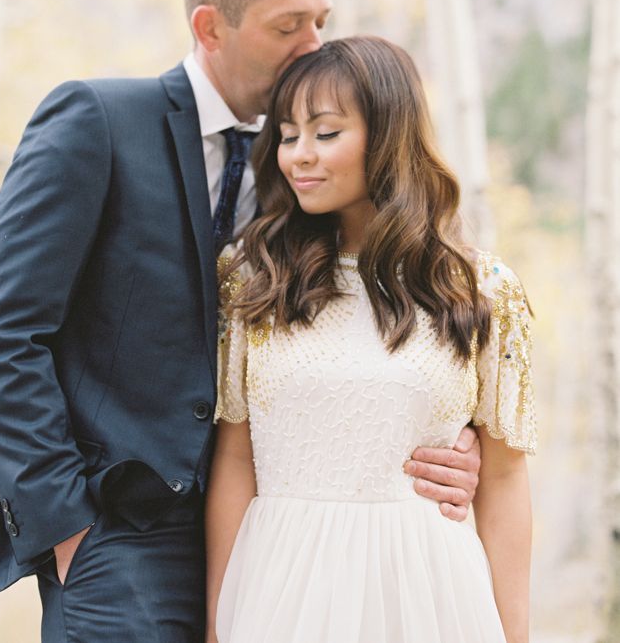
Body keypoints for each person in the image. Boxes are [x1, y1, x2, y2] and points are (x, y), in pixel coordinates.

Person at [0, 0, 482, 643]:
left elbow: (378, 329)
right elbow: (4, 333)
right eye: (289, 26)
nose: (315, 46)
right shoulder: (97, 122)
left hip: (279, 536)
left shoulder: (313, 167)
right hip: (122, 535)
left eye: (322, 22)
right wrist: (65, 527)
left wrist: (458, 441)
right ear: (211, 28)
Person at [206, 34, 535, 643]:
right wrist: (216, 627)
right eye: (286, 134)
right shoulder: (252, 280)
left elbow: (507, 480)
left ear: (389, 136)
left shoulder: (483, 289)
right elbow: (234, 459)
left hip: (431, 599)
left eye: (326, 133)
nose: (299, 155)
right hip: (283, 594)